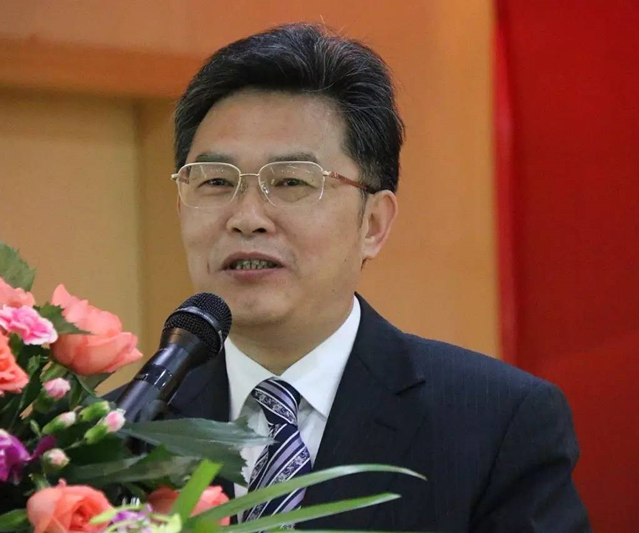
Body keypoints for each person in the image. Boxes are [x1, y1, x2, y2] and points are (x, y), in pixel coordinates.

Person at [166, 22, 590, 531]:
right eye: (216, 181)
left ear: (373, 224)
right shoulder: (122, 432)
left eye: (292, 181)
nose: (246, 217)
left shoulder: (497, 422)